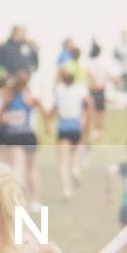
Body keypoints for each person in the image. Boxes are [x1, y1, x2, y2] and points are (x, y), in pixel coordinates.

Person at [0, 70, 43, 200]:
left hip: (13, 135)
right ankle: (34, 200)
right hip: (28, 134)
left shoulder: (9, 98)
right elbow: (42, 108)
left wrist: (8, 119)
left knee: (17, 168)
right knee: (32, 168)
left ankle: (16, 198)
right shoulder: (29, 98)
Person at [48, 64, 89, 196]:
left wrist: (48, 122)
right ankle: (75, 168)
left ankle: (66, 188)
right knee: (76, 152)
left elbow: (53, 109)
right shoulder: (79, 91)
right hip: (75, 127)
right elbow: (87, 105)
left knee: (62, 160)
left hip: (63, 128)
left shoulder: (59, 91)